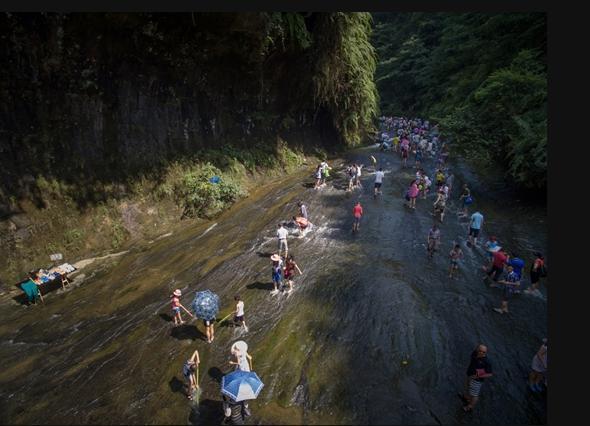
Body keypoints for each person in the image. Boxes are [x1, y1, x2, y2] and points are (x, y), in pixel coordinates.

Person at [459, 344, 493, 412]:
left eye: (484, 352)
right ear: (477, 349)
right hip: (469, 375)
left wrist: (477, 376)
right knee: (467, 386)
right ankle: (467, 398)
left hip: (477, 380)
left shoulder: (486, 362)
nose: (481, 353)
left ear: (486, 352)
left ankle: (470, 406)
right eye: (480, 351)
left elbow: (489, 374)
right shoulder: (475, 353)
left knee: (474, 394)